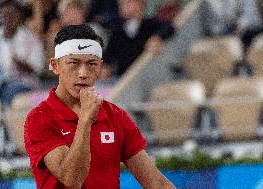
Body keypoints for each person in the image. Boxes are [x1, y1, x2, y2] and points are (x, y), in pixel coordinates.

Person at [24, 24, 176, 189]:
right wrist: (85, 120)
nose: (83, 73)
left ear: (100, 67)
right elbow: (72, 179)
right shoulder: (39, 118)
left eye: (92, 64)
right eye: (73, 63)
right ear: (55, 66)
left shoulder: (116, 116)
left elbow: (156, 183)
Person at [0, 0, 44, 107]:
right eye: (4, 14)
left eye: (11, 14)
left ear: (18, 16)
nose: (8, 18)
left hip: (22, 83)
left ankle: (5, 124)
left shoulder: (31, 39)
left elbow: (38, 69)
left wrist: (21, 64)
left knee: (8, 92)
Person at [103, 0, 174, 77]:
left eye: (128, 2)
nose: (123, 6)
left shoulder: (151, 25)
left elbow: (168, 27)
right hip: (125, 79)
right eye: (121, 4)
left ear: (140, 4)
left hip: (149, 75)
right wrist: (105, 67)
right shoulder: (117, 31)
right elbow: (107, 57)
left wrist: (157, 37)